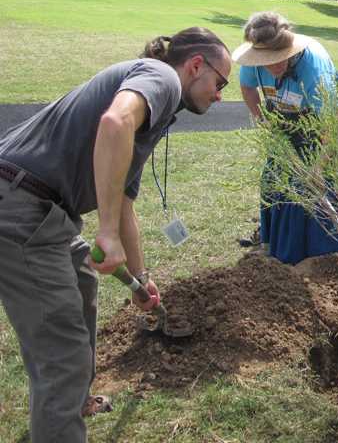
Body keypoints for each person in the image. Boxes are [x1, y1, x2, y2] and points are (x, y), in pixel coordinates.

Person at [0, 27, 230, 443]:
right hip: (19, 207)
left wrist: (140, 281)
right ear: (196, 66)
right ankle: (62, 411)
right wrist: (104, 231)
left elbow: (124, 201)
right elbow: (114, 120)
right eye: (220, 82)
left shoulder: (159, 107)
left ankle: (71, 401)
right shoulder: (161, 79)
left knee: (83, 282)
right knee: (63, 351)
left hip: (47, 213)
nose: (219, 95)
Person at [234, 12, 338, 264]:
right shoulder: (253, 62)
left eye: (281, 58)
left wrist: (319, 167)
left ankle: (322, 256)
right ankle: (272, 241)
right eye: (269, 59)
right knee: (275, 180)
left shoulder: (313, 68)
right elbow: (247, 87)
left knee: (312, 189)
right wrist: (262, 120)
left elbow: (333, 124)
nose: (276, 65)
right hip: (285, 122)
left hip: (325, 124)